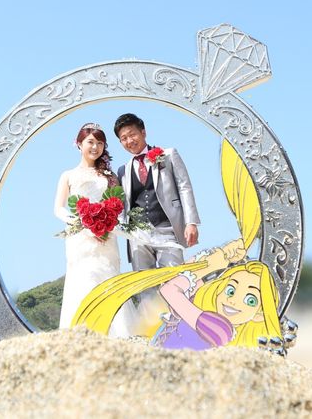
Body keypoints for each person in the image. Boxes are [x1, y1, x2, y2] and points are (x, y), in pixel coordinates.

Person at [71, 239, 283, 350]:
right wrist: (220, 254)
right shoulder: (204, 308)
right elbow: (185, 274)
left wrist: (212, 265)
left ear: (260, 313)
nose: (233, 300)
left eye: (250, 300)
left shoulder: (220, 330)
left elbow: (170, 290)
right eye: (230, 289)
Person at [54, 122, 136, 337]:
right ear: (79, 144)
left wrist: (108, 227)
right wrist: (83, 225)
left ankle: (117, 335)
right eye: (90, 142)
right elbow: (58, 209)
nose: (95, 147)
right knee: (83, 280)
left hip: (107, 238)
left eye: (100, 143)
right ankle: (82, 335)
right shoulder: (68, 175)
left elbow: (118, 207)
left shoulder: (109, 176)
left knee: (108, 278)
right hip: (80, 239)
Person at [114, 113, 200, 273]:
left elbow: (184, 187)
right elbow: (122, 205)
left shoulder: (168, 155)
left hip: (167, 229)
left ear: (143, 132)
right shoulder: (122, 171)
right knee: (145, 284)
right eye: (124, 138)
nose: (129, 141)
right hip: (138, 235)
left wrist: (191, 222)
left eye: (132, 134)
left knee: (175, 277)